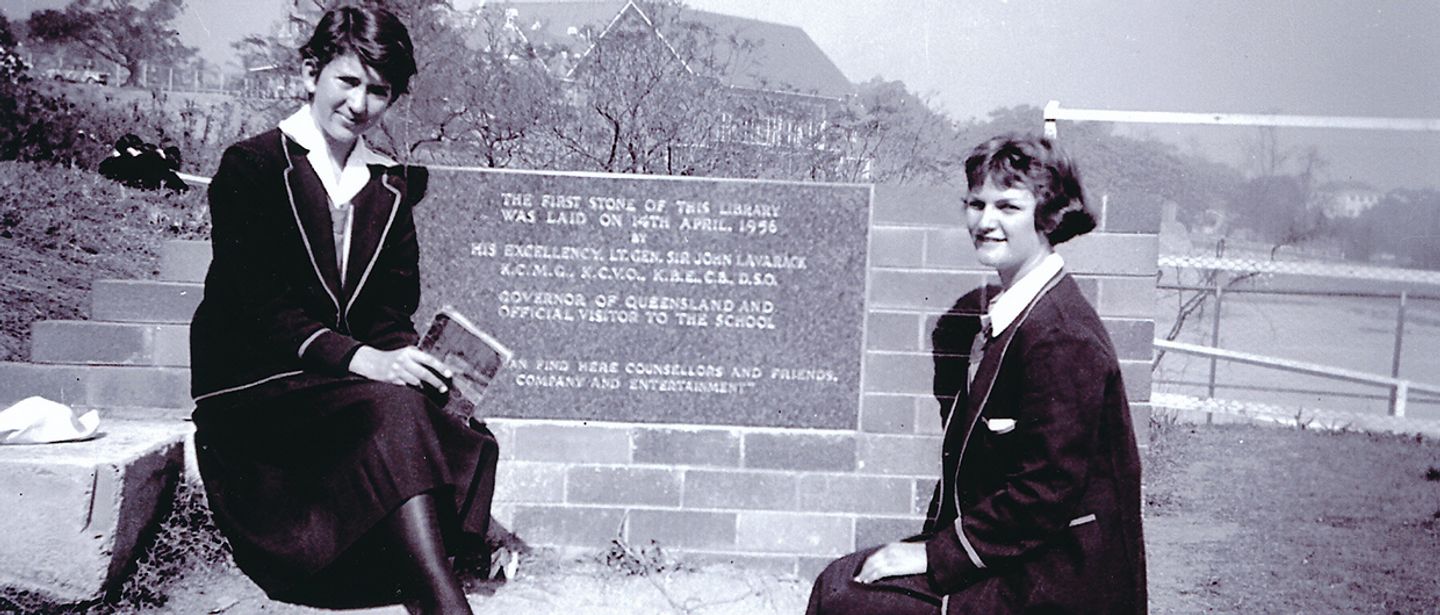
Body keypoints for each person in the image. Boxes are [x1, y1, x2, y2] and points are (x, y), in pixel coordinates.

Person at [189, 7, 496, 614]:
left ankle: (420, 580)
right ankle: (443, 603)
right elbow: (255, 306)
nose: (360, 104)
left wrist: (405, 356)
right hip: (261, 383)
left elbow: (387, 308)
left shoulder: (384, 190)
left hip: (334, 383)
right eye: (348, 81)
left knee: (436, 413)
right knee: (394, 410)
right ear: (311, 74)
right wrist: (363, 360)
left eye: (378, 90)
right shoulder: (252, 167)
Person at [807, 134, 1146, 614]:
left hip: (1058, 581)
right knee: (844, 582)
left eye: (1007, 206)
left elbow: (1044, 495)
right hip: (1017, 556)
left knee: (848, 597)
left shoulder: (1061, 335)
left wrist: (930, 554)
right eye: (976, 204)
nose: (986, 222)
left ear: (1047, 215)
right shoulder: (1020, 313)